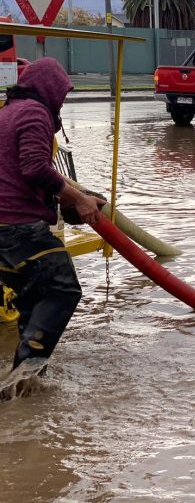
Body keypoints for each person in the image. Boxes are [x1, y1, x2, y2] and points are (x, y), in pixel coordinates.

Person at [0, 57, 105, 371]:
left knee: (32, 304)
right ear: (49, 89)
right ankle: (23, 376)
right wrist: (80, 199)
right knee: (63, 289)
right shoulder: (35, 112)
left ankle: (28, 389)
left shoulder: (8, 111)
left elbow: (17, 172)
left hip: (5, 229)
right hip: (18, 228)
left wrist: (70, 198)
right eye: (63, 93)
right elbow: (34, 168)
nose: (63, 101)